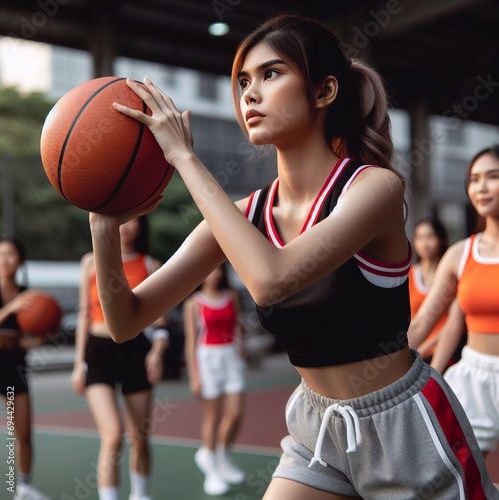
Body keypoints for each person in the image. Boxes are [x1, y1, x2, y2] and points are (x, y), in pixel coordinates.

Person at [88, 14, 498, 498]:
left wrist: (183, 158)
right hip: (316, 426)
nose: (249, 93)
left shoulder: (375, 188)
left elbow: (272, 279)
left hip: (403, 426)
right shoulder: (246, 214)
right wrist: (104, 224)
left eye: (271, 74)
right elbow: (125, 320)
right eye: (242, 80)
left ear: (324, 92)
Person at [409, 144, 499, 462]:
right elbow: (424, 321)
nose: (482, 186)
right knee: (457, 475)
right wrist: (374, 363)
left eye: (492, 177)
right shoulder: (461, 254)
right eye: (474, 179)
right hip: (475, 379)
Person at [70, 216, 169, 500]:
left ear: (141, 225)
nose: (126, 225)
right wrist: (79, 364)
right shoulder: (90, 261)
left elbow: (161, 323)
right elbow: (84, 314)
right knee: (112, 435)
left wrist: (157, 352)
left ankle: (140, 495)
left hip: (135, 350)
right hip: (97, 350)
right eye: (121, 219)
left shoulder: (150, 265)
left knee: (140, 437)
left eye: (133, 220)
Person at [183, 263, 246, 495]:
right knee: (213, 417)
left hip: (231, 357)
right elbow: (191, 341)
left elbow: (238, 326)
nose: (215, 274)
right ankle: (211, 470)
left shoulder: (232, 296)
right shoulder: (194, 303)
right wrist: (194, 375)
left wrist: (241, 347)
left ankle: (220, 457)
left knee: (236, 414)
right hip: (208, 359)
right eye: (210, 270)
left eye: (219, 269)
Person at [0, 236, 50, 500]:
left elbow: (25, 339)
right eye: (0, 254)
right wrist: (10, 308)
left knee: (24, 431)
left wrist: (38, 339)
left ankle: (24, 487)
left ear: (21, 260)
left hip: (13, 367)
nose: (4, 259)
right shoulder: (16, 301)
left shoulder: (28, 297)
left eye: (10, 253)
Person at [409, 216, 457, 363]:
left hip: (443, 352)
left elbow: (453, 323)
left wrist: (424, 349)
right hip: (412, 349)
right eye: (420, 237)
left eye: (430, 236)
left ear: (441, 239)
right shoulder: (408, 275)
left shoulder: (451, 276)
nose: (425, 243)